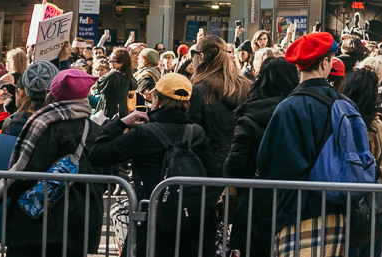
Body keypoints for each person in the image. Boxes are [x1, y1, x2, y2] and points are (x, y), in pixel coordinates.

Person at [257, 32, 375, 248]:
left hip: (295, 213)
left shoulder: (287, 108)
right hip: (337, 211)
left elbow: (269, 163)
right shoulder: (344, 104)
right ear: (324, 62)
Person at [86, 73, 208, 257]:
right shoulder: (196, 133)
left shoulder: (143, 133)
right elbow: (213, 170)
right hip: (189, 217)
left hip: (151, 215)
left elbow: (97, 154)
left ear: (157, 100)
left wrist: (119, 123)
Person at [0, 68, 100, 257]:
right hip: (78, 223)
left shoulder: (43, 123)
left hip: (37, 222)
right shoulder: (95, 130)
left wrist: (1, 190)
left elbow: (27, 170)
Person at [223, 57, 300, 257]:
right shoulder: (298, 112)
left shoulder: (250, 112)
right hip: (294, 198)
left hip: (256, 197)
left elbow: (235, 164)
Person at [188, 34, 250, 177]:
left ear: (201, 57)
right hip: (240, 165)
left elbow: (192, 131)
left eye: (194, 54)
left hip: (207, 169)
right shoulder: (245, 86)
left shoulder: (196, 91)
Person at [94, 47, 136, 120]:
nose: (109, 62)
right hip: (123, 112)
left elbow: (98, 84)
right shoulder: (127, 75)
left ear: (120, 63)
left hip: (109, 113)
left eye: (111, 61)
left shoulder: (112, 75)